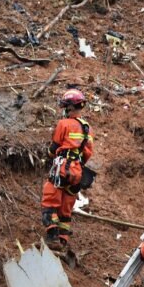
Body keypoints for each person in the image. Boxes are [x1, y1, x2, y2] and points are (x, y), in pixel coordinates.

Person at [41, 89, 94, 250]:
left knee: (50, 199)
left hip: (63, 167)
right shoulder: (87, 128)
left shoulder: (63, 124)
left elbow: (55, 146)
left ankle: (52, 237)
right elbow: (87, 153)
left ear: (69, 107)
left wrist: (49, 155)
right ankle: (62, 241)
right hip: (77, 172)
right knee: (66, 205)